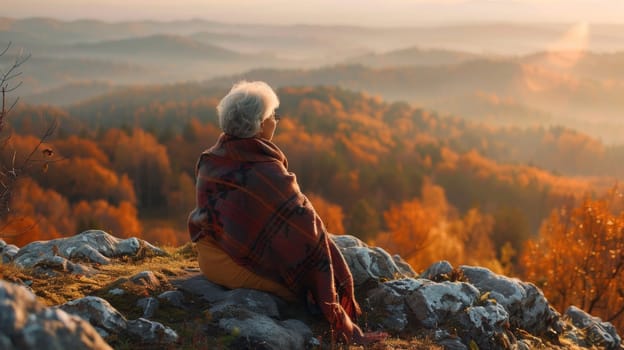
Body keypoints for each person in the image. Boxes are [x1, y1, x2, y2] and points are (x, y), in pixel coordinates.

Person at [187, 81, 386, 344]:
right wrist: (329, 287)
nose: (276, 121)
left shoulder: (211, 158)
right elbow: (307, 232)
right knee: (301, 288)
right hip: (237, 268)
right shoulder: (267, 171)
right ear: (259, 124)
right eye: (273, 116)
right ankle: (343, 326)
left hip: (209, 259)